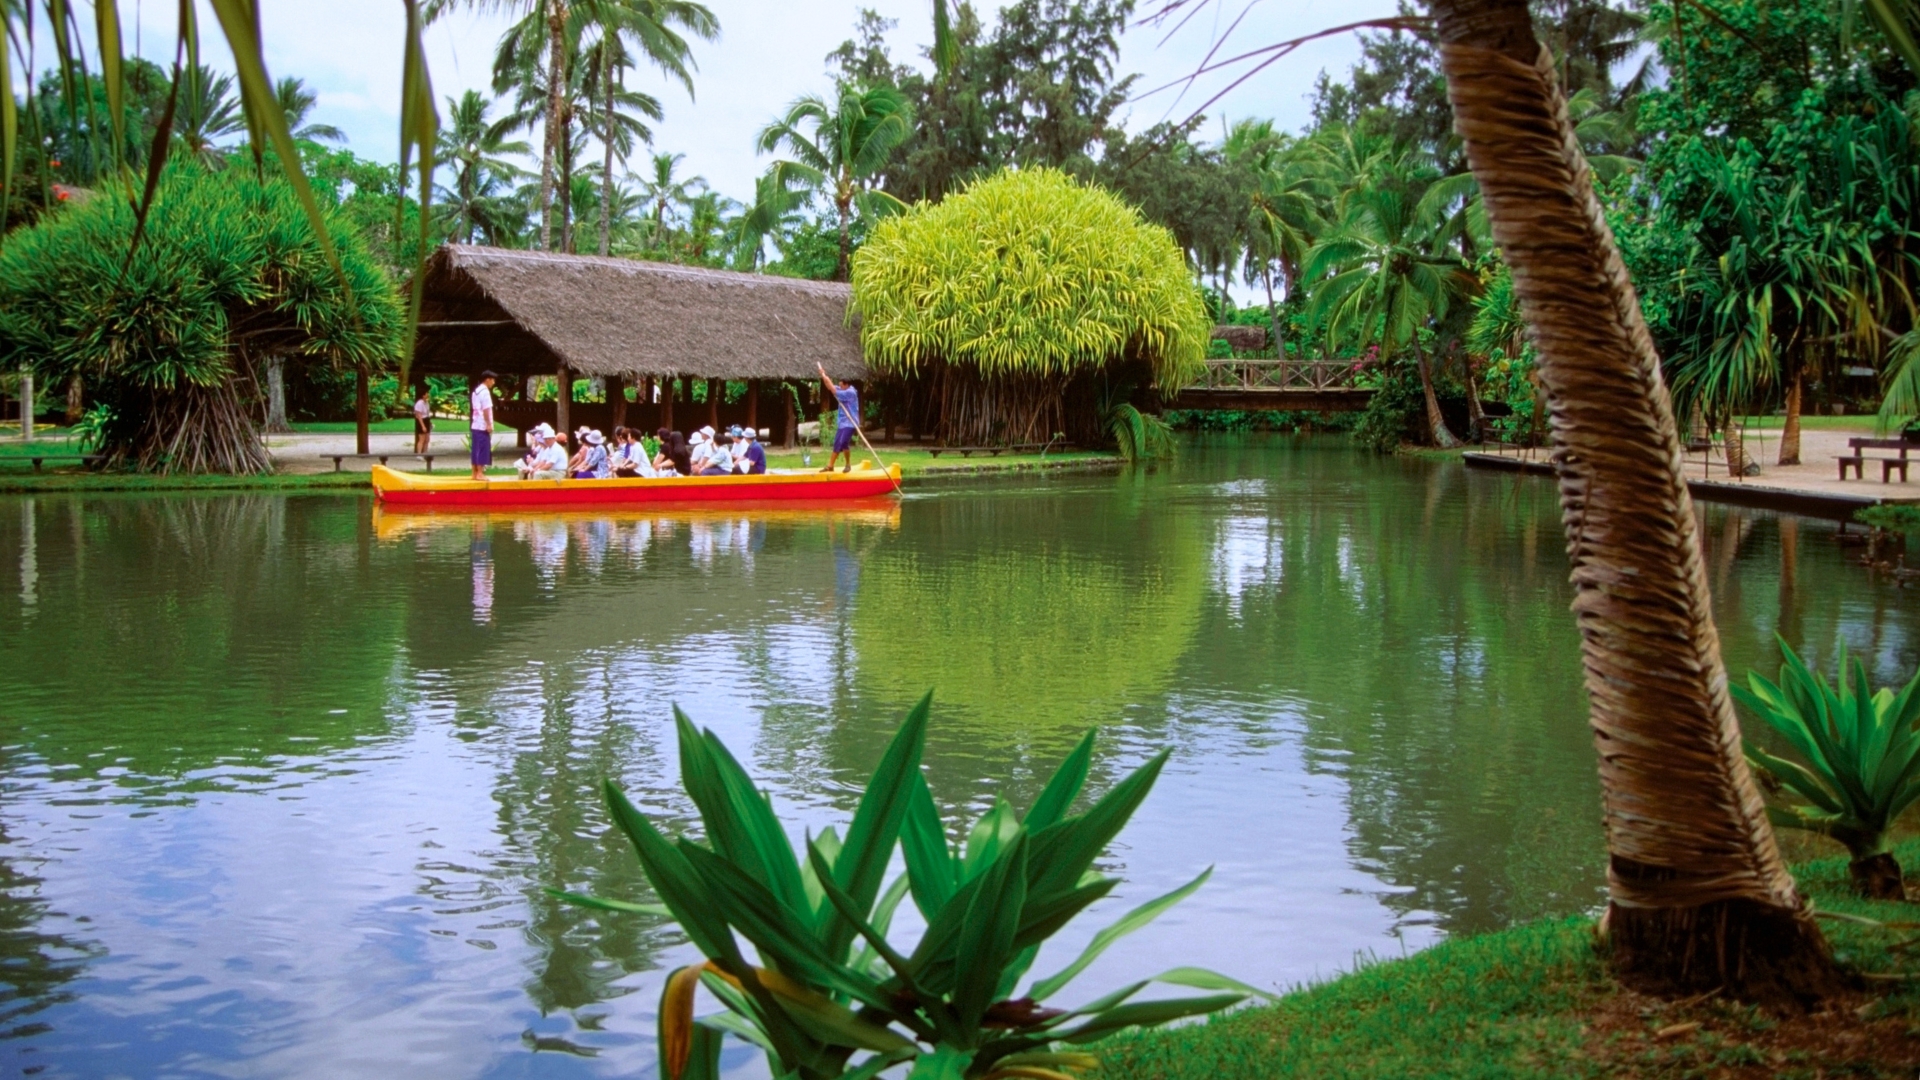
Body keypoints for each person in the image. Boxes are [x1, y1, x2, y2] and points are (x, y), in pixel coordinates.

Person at [818, 365, 860, 473]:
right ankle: (830, 466)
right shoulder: (843, 389)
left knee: (843, 442)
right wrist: (823, 374)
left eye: (841, 385)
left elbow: (833, 389)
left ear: (846, 385)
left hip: (850, 423)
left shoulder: (850, 392)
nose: (839, 387)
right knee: (837, 443)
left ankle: (848, 465)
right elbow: (830, 386)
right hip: (842, 422)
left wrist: (824, 376)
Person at [469, 371, 497, 480]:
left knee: (475, 448)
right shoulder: (485, 392)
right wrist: (489, 424)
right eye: (492, 380)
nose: (493, 383)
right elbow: (486, 409)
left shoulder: (475, 391)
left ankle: (474, 473)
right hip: (482, 425)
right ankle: (480, 473)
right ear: (487, 379)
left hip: (476, 424)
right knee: (482, 449)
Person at [413, 389, 433, 453]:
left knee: (427, 439)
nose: (428, 395)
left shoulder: (426, 403)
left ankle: (425, 452)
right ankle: (419, 454)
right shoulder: (419, 403)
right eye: (427, 393)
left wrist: (429, 423)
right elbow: (419, 416)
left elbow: (427, 414)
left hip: (426, 420)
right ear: (423, 395)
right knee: (422, 439)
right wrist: (423, 426)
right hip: (422, 421)